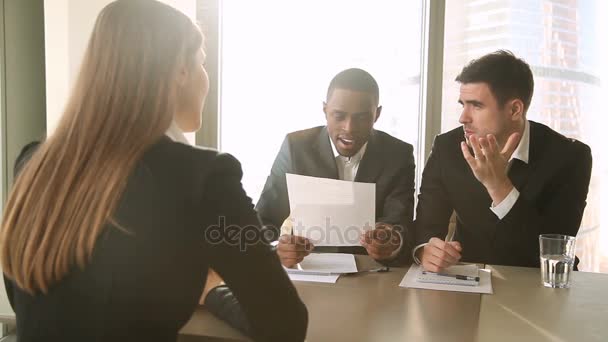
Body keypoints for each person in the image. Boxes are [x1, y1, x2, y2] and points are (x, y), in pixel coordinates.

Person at [0, 1, 307, 341]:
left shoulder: (35, 162)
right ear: (180, 71)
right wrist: (212, 291)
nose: (207, 79)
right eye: (202, 63)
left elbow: (25, 296)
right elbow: (285, 322)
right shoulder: (204, 178)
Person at [413, 50, 592, 272]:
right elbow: (426, 226)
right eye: (462, 104)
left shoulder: (570, 157)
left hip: (540, 285)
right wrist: (425, 249)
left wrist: (499, 185)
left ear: (515, 109)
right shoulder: (447, 148)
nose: (463, 118)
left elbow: (554, 251)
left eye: (476, 105)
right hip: (468, 277)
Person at [256, 68, 416, 267]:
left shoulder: (398, 155)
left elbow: (400, 223)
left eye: (362, 117)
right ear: (325, 111)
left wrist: (391, 244)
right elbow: (264, 218)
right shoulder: (296, 147)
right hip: (310, 268)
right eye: (339, 116)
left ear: (377, 114)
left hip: (373, 271)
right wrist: (275, 248)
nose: (349, 128)